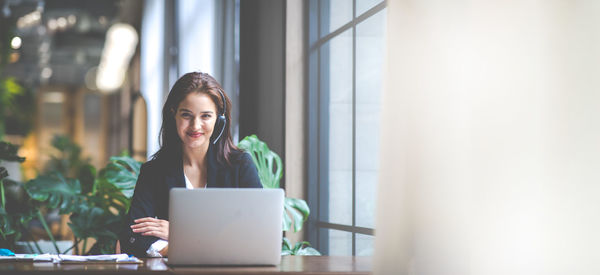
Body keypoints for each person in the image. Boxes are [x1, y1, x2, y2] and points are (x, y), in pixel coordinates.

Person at [119, 72, 262, 257]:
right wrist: (208, 244)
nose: (195, 126)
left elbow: (256, 232)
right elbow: (132, 238)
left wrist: (180, 234)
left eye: (206, 116)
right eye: (186, 115)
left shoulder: (240, 166)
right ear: (174, 115)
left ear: (219, 119)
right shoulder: (154, 171)